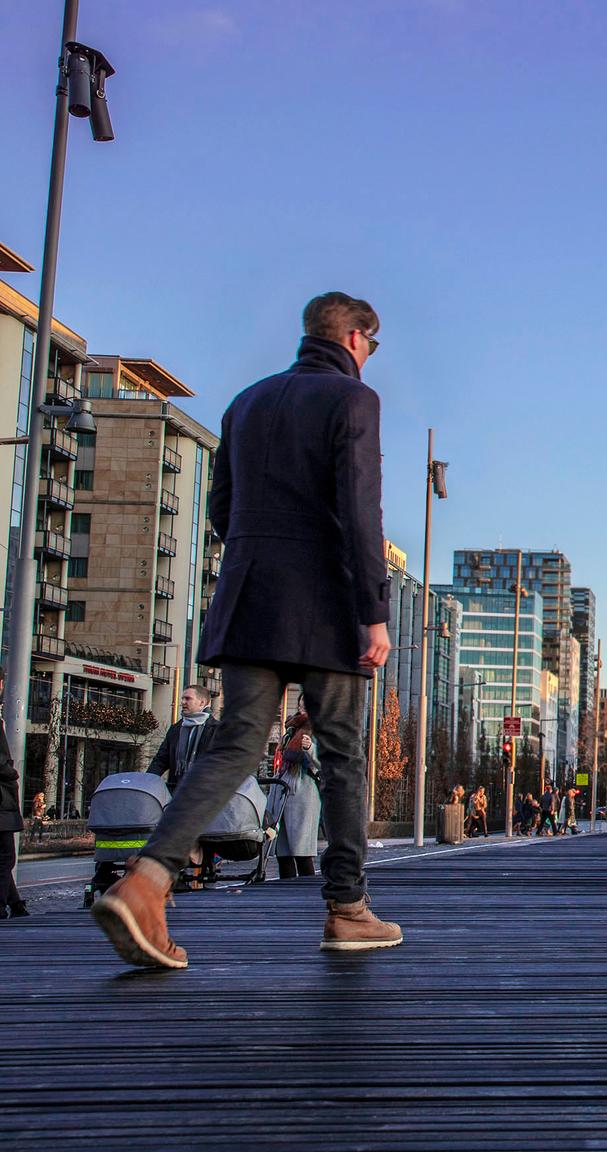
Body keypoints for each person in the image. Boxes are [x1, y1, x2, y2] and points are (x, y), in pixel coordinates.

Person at [90, 291, 399, 969]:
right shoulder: (353, 402)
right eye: (373, 345)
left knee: (232, 748)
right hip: (327, 610)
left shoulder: (247, 402)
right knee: (343, 758)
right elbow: (359, 507)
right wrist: (372, 610)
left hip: (252, 598)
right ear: (355, 338)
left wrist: (264, 566)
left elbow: (223, 511)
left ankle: (146, 882)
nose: (371, 357)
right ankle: (347, 910)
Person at [266, 727, 323, 880]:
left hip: (303, 790)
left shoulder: (318, 731)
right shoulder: (290, 731)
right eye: (300, 704)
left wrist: (310, 748)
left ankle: (307, 887)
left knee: (301, 850)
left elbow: (325, 763)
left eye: (306, 705)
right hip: (282, 787)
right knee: (282, 849)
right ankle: (286, 887)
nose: (302, 708)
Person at [148, 685, 219, 792]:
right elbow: (161, 760)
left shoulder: (217, 730)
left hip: (205, 794)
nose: (183, 702)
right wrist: (146, 782)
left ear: (202, 703)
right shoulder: (176, 729)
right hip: (175, 792)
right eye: (182, 698)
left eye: (188, 698)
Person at [1, 725, 27, 919]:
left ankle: (15, 904)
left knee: (3, 858)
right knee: (5, 857)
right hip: (1, 805)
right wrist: (11, 773)